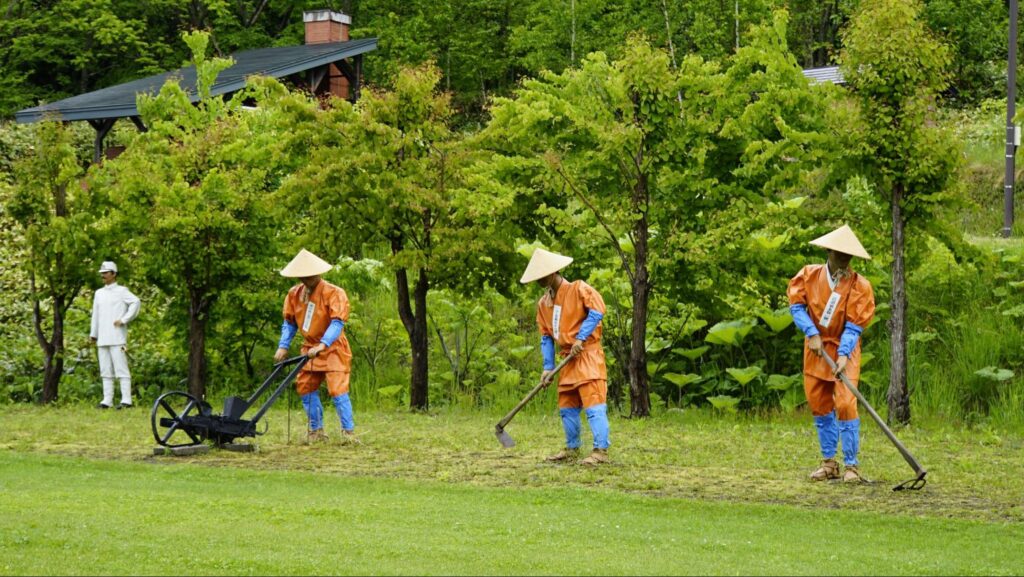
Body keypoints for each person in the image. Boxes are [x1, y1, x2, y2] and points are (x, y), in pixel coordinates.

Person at [787, 225, 876, 483]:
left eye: (849, 255)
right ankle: (829, 463)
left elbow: (854, 325)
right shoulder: (808, 275)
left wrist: (844, 354)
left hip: (844, 348)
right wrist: (811, 332)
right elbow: (797, 307)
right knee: (819, 402)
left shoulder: (860, 285)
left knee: (846, 403)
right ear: (828, 251)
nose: (845, 259)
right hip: (816, 347)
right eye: (840, 253)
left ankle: (851, 465)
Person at [520, 248, 610, 465]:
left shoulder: (578, 288)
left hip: (587, 355)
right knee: (567, 405)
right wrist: (548, 367)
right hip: (567, 359)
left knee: (593, 404)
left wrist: (581, 338)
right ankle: (572, 448)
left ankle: (600, 451)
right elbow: (546, 337)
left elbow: (597, 311)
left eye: (543, 275)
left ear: (554, 272)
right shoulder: (544, 304)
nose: (540, 280)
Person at [274, 249, 356, 443]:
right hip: (310, 349)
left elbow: (337, 322)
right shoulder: (294, 294)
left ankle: (348, 433)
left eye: (310, 275)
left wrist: (323, 344)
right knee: (305, 387)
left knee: (337, 389)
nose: (307, 279)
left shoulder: (334, 293)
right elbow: (289, 322)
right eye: (303, 276)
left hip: (333, 348)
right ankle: (316, 430)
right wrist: (283, 345)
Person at [90, 261, 141, 409]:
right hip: (102, 337)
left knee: (121, 369)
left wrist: (124, 319)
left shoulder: (122, 291)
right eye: (102, 273)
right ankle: (107, 400)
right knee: (105, 370)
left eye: (106, 273)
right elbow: (95, 315)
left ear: (114, 274)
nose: (103, 276)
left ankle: (126, 400)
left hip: (118, 338)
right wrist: (93, 333)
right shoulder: (99, 293)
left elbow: (136, 302)